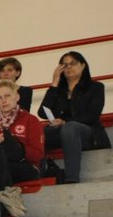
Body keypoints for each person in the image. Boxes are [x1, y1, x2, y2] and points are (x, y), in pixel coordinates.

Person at [39, 50, 107, 184]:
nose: (69, 67)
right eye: (64, 65)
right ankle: (40, 176)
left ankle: (71, 179)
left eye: (73, 63)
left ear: (83, 66)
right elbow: (42, 111)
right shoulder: (58, 91)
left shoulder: (96, 87)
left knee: (70, 128)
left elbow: (93, 115)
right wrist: (54, 83)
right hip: (62, 132)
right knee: (38, 133)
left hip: (88, 133)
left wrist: (65, 121)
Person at [0, 80, 46, 184]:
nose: (3, 100)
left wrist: (15, 144)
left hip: (27, 166)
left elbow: (37, 154)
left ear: (17, 97)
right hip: (0, 167)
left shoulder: (31, 120)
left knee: (1, 171)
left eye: (7, 96)